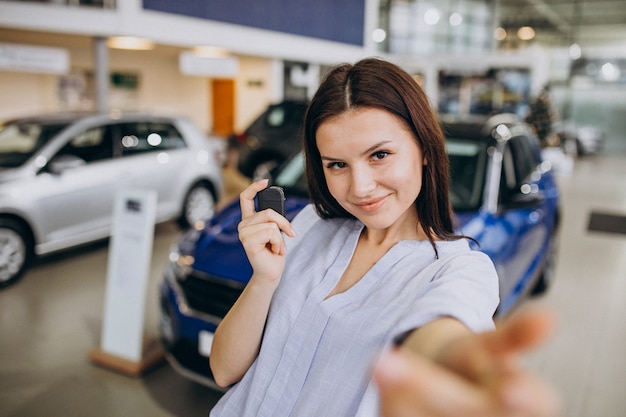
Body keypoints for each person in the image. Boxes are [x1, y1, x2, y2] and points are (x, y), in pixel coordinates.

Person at [209, 57, 561, 417]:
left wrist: (451, 360)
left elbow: (437, 334)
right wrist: (264, 279)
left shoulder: (460, 270)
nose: (360, 187)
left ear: (424, 149)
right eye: (337, 164)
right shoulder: (311, 223)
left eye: (379, 155)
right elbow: (223, 370)